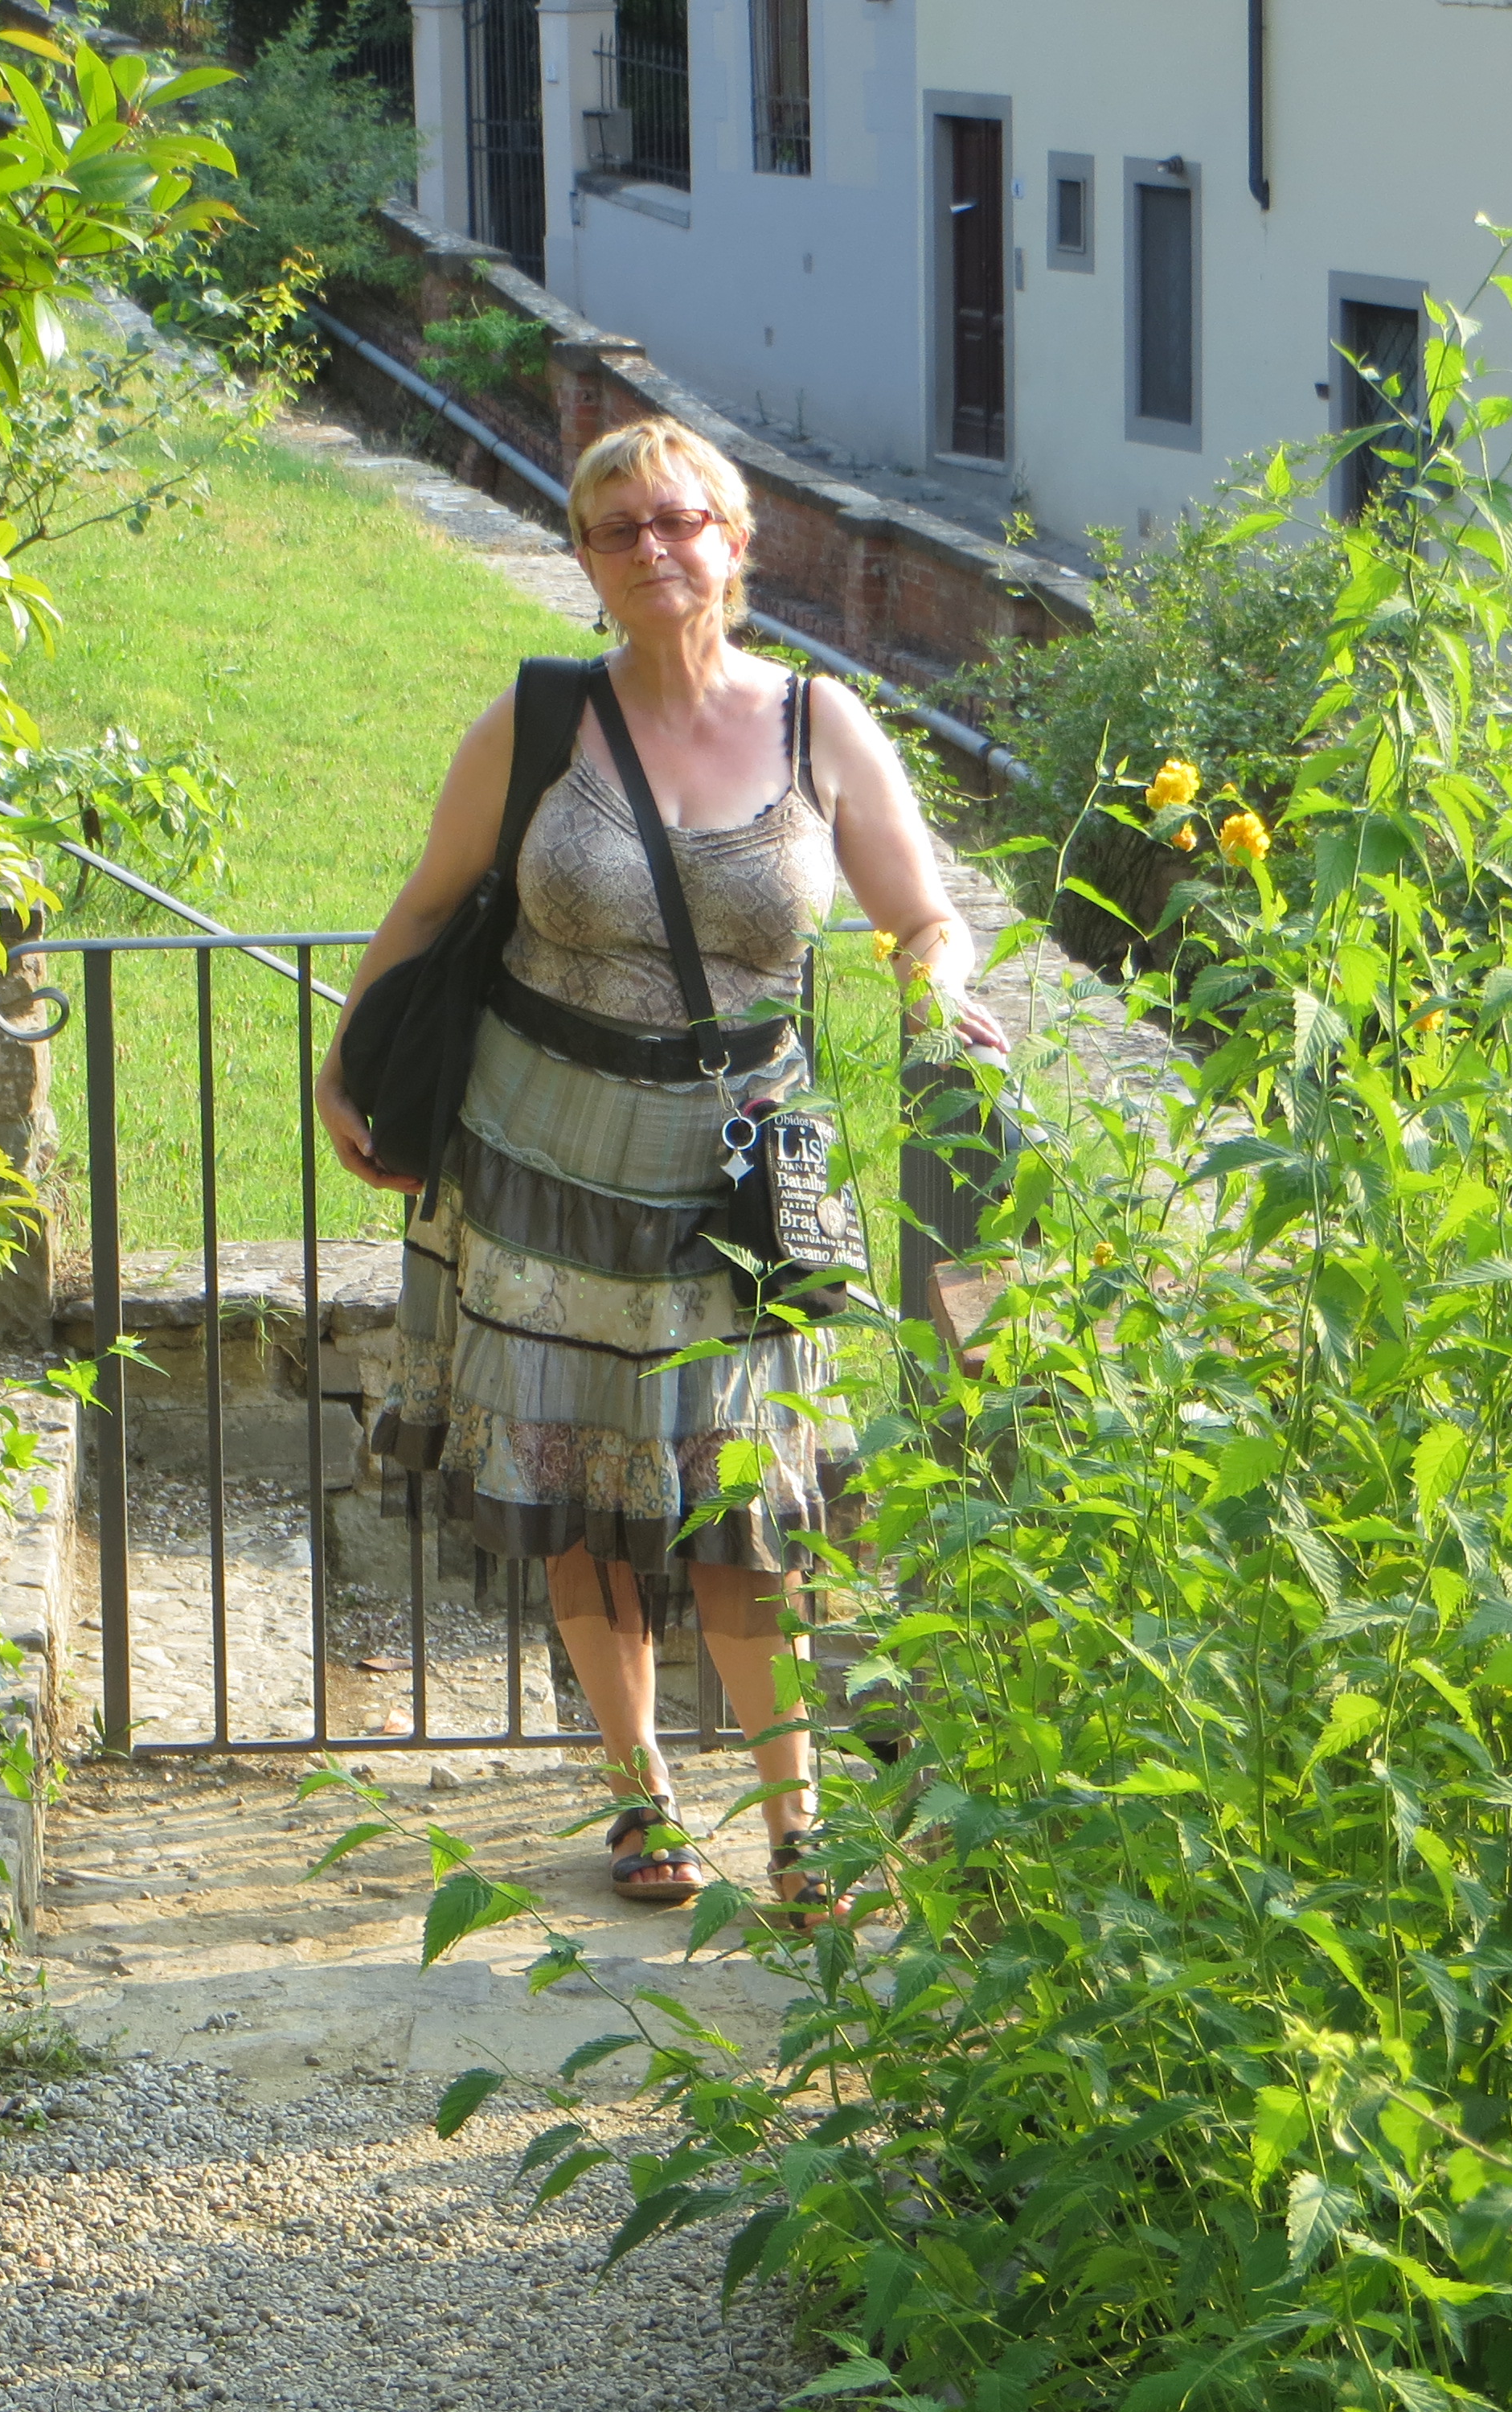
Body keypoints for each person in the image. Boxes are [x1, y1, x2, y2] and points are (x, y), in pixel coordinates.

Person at [312, 416, 1006, 1914]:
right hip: (535, 1164)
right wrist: (345, 1060)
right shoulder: (535, 722)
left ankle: (798, 1822)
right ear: (585, 558)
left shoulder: (820, 725)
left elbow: (923, 915)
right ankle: (641, 1797)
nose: (653, 549)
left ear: (735, 540)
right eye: (617, 529)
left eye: (679, 520)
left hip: (731, 1188)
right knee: (574, 1483)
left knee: (738, 1505)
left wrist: (935, 989)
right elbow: (426, 905)